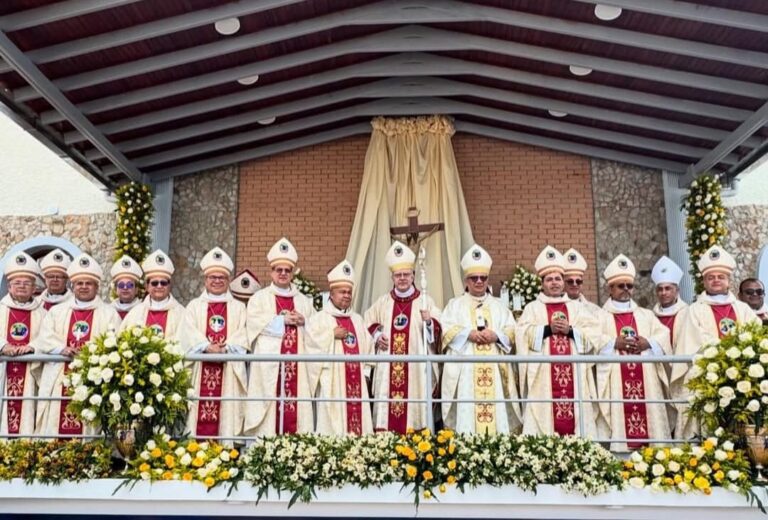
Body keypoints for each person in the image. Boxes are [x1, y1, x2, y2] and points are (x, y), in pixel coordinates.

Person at [672, 245, 760, 439]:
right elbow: (692, 340)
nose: (716, 281)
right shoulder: (695, 310)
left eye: (721, 277)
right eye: (711, 277)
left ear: (729, 280)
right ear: (704, 281)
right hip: (707, 380)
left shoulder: (743, 309)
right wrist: (726, 351)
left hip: (743, 379)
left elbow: (756, 339)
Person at [515, 245, 599, 437]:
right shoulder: (533, 308)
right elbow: (520, 333)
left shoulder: (577, 308)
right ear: (542, 283)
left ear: (563, 282)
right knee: (544, 417)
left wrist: (570, 331)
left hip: (575, 377)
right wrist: (546, 330)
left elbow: (594, 335)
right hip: (544, 379)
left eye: (558, 279)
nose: (554, 283)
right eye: (549, 279)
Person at [35, 253, 121, 437]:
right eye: (79, 283)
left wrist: (94, 351)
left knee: (88, 428)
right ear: (72, 285)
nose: (83, 287)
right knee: (55, 420)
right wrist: (61, 348)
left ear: (96, 286)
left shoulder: (109, 313)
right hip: (60, 376)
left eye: (88, 283)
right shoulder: (57, 312)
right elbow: (44, 336)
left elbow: (116, 341)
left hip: (93, 380)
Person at [440, 244, 520, 434]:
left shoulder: (499, 306)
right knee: (467, 415)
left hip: (494, 370)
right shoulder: (455, 305)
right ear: (465, 281)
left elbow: (512, 330)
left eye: (482, 278)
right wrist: (468, 334)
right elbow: (445, 329)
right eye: (473, 278)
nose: (478, 281)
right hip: (466, 372)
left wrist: (496, 335)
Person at [364, 241, 442, 433]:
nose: (402, 279)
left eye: (406, 274)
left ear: (413, 276)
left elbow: (439, 331)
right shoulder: (383, 302)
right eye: (398, 275)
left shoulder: (425, 301)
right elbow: (366, 322)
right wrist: (377, 334)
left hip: (415, 370)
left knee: (415, 409)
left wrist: (430, 322)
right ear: (392, 277)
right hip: (388, 368)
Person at [595, 254, 671, 451]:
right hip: (617, 381)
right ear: (610, 288)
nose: (627, 290)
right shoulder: (600, 317)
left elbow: (664, 335)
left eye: (630, 286)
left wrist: (649, 343)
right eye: (621, 286)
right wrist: (613, 342)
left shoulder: (646, 315)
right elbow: (592, 339)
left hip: (646, 379)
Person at [244, 238, 315, 436]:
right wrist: (281, 321)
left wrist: (305, 322)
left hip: (297, 369)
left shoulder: (303, 301)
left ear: (292, 272)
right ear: (271, 271)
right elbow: (253, 324)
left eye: (287, 270)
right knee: (269, 419)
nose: (283, 274)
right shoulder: (259, 298)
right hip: (269, 369)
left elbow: (317, 332)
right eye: (278, 269)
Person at [184, 247, 249, 444]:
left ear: (228, 280)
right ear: (205, 280)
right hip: (200, 369)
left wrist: (226, 348)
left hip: (228, 370)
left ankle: (225, 450)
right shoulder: (194, 306)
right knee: (197, 410)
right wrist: (206, 346)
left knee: (226, 412)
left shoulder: (239, 307)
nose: (217, 281)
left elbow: (244, 333)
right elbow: (187, 332)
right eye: (213, 277)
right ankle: (194, 451)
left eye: (222, 277)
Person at [306, 260, 374, 435]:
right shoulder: (319, 319)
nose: (346, 295)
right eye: (342, 292)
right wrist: (330, 335)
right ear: (332, 294)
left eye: (349, 292)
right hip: (332, 382)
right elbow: (309, 346)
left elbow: (368, 348)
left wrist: (365, 375)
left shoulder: (357, 320)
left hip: (357, 384)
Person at [0, 252, 46, 437]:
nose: (21, 287)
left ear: (34, 287)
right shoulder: (1, 309)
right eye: (17, 283)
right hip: (3, 372)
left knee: (28, 414)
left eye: (26, 283)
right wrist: (4, 347)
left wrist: (33, 346)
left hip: (29, 373)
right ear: (9, 287)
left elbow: (49, 337)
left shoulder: (42, 313)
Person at [120, 250, 187, 343]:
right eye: (154, 283)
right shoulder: (135, 313)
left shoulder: (181, 313)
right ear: (147, 286)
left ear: (169, 285)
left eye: (163, 283)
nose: (159, 286)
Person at [650, 256, 688, 347]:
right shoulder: (651, 316)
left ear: (677, 290)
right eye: (660, 289)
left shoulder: (687, 313)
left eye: (668, 288)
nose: (663, 293)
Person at [562, 248, 602, 314]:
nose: (575, 284)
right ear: (563, 283)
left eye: (578, 281)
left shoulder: (594, 310)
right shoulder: (556, 308)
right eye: (570, 281)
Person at [110, 255, 143, 320]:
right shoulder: (109, 311)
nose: (125, 288)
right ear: (116, 289)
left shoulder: (142, 311)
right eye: (121, 285)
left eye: (129, 285)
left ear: (136, 290)